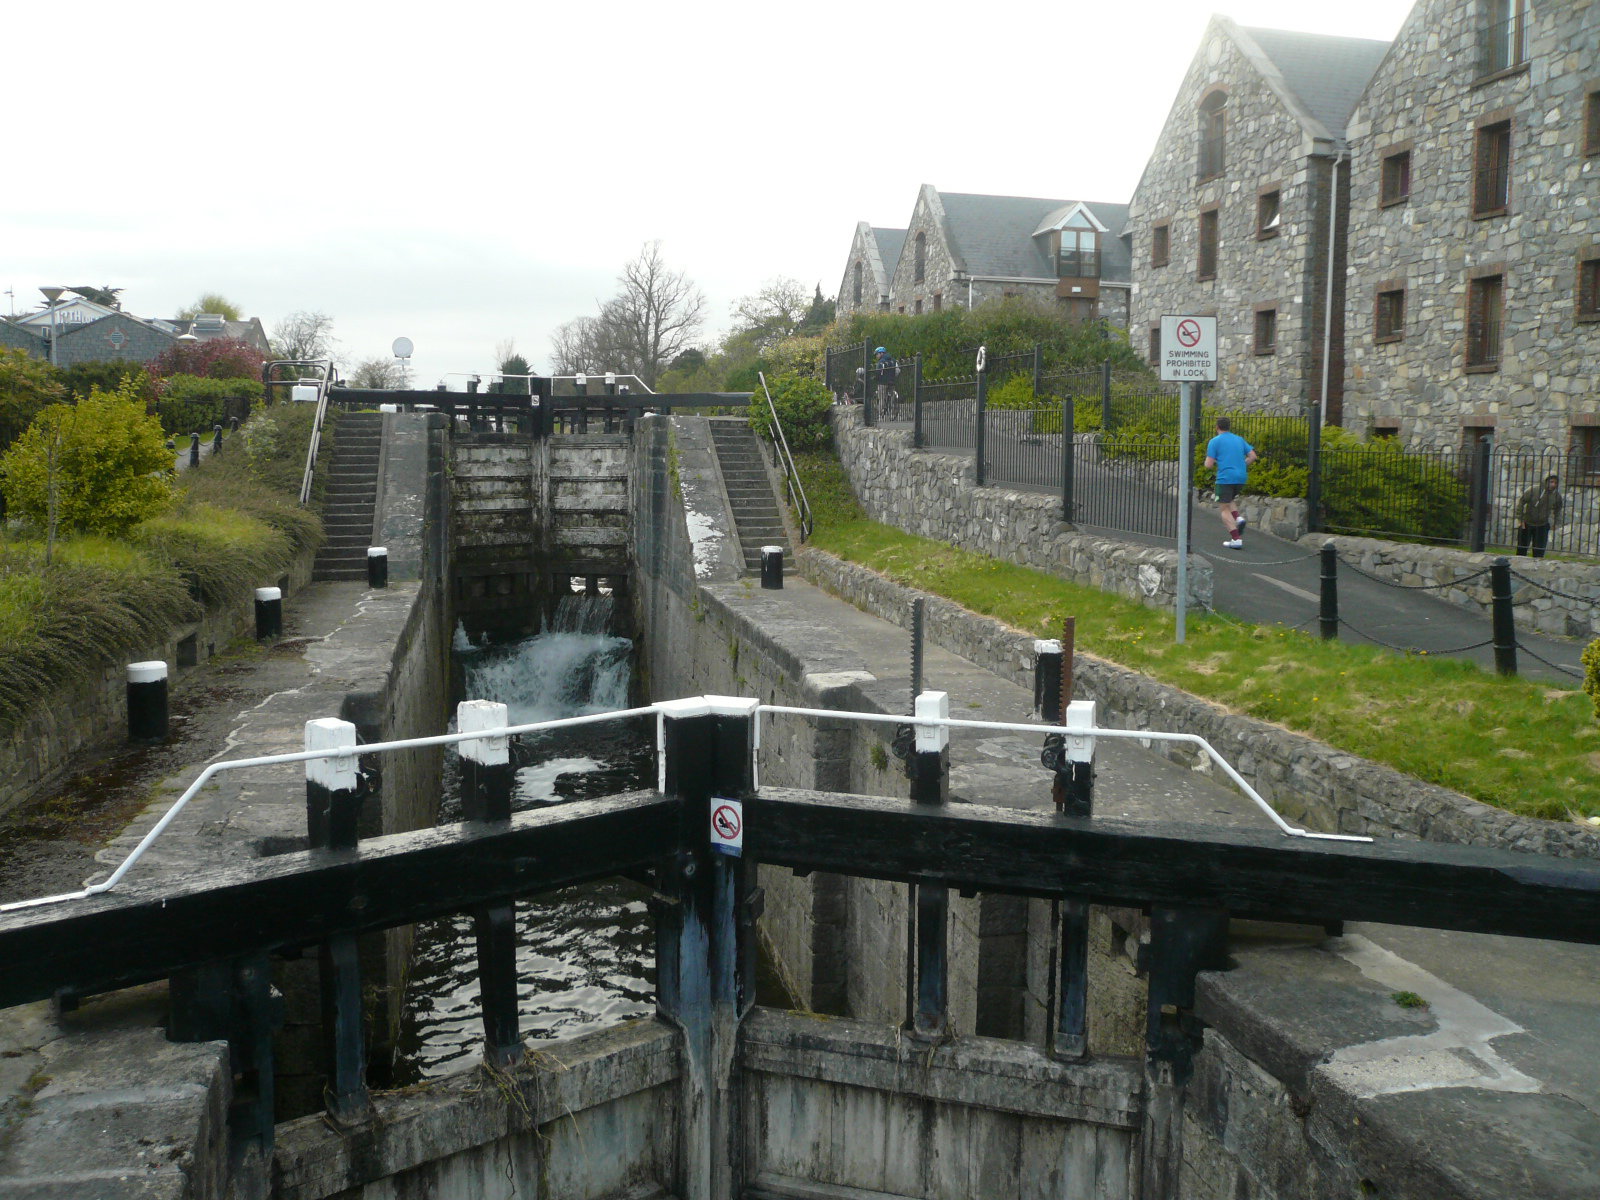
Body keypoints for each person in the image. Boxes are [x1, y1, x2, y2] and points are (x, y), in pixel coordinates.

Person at [1204, 417, 1257, 549]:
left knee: (1223, 508)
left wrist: (1216, 461)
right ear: (1229, 427)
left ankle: (1236, 539)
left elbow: (1208, 465)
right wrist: (1242, 465)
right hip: (1241, 477)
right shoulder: (1239, 439)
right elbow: (1253, 456)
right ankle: (1238, 519)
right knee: (1229, 500)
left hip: (1225, 478)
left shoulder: (1214, 441)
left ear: (1217, 427)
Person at [1514, 474, 1562, 558]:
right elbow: (1521, 502)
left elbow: (1558, 510)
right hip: (1527, 524)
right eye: (1551, 482)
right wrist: (1520, 520)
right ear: (1545, 481)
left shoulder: (1556, 496)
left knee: (1539, 553)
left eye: (1555, 482)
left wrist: (1556, 523)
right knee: (1521, 550)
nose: (1553, 484)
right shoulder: (1533, 490)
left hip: (1542, 525)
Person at [872, 346, 898, 418]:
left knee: (881, 398)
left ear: (881, 353)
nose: (876, 356)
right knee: (892, 397)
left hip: (882, 382)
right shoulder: (893, 360)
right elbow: (897, 371)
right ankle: (893, 413)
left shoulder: (881, 362)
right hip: (892, 382)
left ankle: (881, 414)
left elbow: (878, 372)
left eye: (877, 354)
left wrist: (875, 378)